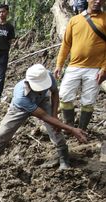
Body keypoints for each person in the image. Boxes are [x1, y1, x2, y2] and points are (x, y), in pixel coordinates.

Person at [0, 64, 87, 176]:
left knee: (55, 128)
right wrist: (71, 129)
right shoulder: (20, 97)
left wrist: (55, 115)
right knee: (4, 133)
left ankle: (64, 158)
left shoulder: (46, 75)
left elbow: (55, 93)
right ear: (29, 83)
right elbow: (43, 116)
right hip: (19, 109)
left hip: (42, 101)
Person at [54, 0, 106, 131]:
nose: (98, 1)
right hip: (74, 66)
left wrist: (105, 69)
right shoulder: (75, 20)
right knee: (64, 96)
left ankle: (82, 129)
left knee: (88, 102)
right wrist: (59, 64)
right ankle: (70, 127)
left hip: (95, 68)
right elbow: (66, 44)